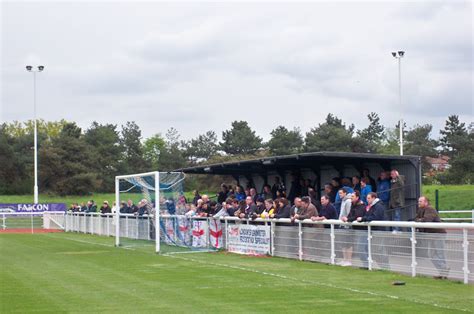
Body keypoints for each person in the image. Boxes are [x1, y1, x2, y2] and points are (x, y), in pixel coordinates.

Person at [415, 196, 449, 279]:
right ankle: (443, 270)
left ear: (426, 202)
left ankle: (443, 272)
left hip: (438, 234)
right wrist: (419, 220)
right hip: (431, 235)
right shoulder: (420, 210)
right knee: (431, 254)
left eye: (421, 201)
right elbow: (416, 219)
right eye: (419, 201)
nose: (419, 203)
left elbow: (426, 220)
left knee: (439, 253)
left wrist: (419, 220)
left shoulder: (430, 209)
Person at [357, 192, 389, 269]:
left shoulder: (378, 206)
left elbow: (375, 217)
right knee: (373, 249)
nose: (367, 200)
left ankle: (385, 267)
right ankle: (372, 266)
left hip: (379, 230)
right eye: (367, 198)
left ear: (374, 198)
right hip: (375, 230)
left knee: (379, 249)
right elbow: (369, 216)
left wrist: (363, 219)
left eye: (369, 198)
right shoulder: (373, 206)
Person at [343, 191, 367, 267]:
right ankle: (366, 265)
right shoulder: (353, 205)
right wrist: (346, 218)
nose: (351, 198)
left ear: (357, 197)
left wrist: (347, 219)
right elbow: (350, 214)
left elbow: (357, 216)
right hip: (355, 229)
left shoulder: (361, 206)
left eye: (352, 196)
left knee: (361, 248)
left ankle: (367, 264)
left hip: (362, 230)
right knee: (360, 248)